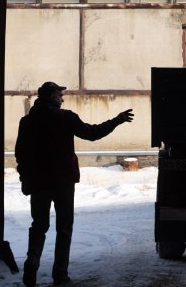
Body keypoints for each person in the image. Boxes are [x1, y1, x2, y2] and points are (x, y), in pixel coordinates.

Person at [15, 81, 134, 287]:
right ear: (52, 96)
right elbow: (92, 133)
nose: (62, 98)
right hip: (63, 182)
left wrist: (26, 177)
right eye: (60, 95)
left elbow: (20, 154)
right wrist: (117, 120)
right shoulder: (65, 118)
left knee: (39, 226)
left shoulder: (27, 121)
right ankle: (60, 274)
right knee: (64, 228)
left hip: (39, 183)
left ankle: (32, 262)